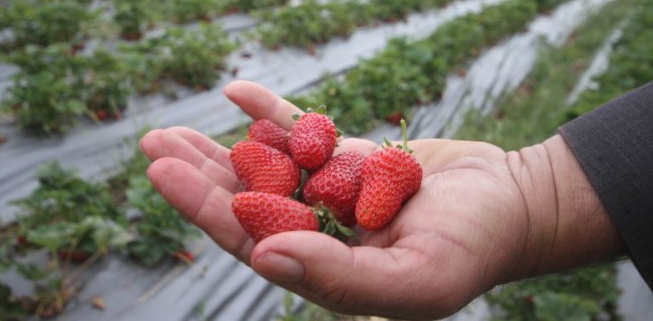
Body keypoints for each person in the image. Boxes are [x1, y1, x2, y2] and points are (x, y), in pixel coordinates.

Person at [139, 80, 652, 320]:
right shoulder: (318, 160)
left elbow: (327, 168)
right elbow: (310, 156)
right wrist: (537, 193)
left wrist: (531, 195)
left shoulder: (364, 168)